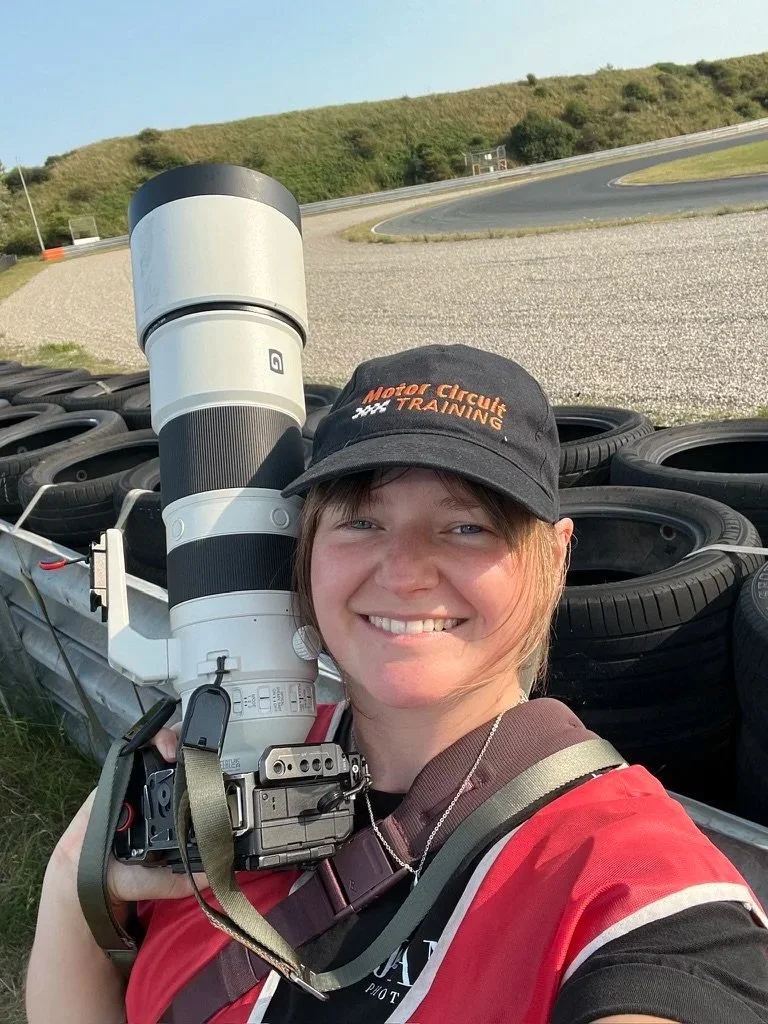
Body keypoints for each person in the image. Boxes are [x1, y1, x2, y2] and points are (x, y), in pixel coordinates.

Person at [26, 344, 768, 1024]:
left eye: (466, 526)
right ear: (306, 548)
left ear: (555, 556)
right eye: (360, 521)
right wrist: (73, 883)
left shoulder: (620, 872)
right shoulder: (227, 778)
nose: (405, 571)